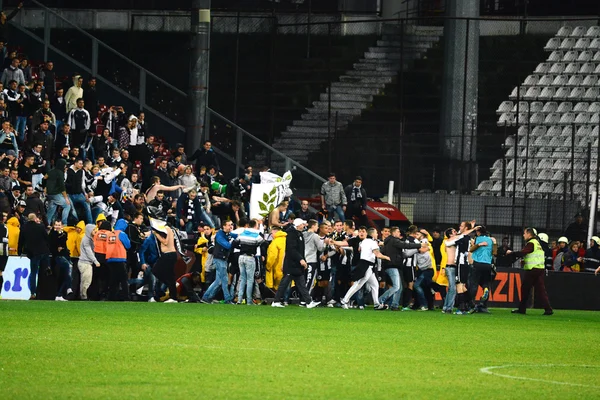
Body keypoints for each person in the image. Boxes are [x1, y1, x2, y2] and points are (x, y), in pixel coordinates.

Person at [337, 227, 390, 309]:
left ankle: (376, 304)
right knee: (358, 284)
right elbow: (377, 254)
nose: (377, 234)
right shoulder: (372, 242)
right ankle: (344, 301)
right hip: (367, 265)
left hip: (366, 264)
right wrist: (386, 257)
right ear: (372, 234)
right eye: (376, 233)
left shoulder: (364, 241)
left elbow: (359, 249)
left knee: (375, 285)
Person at [271, 219, 320, 308]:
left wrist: (303, 260)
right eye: (302, 224)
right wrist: (301, 259)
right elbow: (291, 250)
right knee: (284, 284)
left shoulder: (298, 234)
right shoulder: (291, 234)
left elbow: (300, 250)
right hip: (291, 264)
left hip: (296, 265)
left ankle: (308, 302)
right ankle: (276, 301)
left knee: (301, 284)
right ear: (298, 225)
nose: (303, 225)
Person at [508, 228, 553, 315]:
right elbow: (534, 256)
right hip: (540, 269)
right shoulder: (538, 244)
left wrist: (512, 253)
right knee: (540, 290)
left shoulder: (531, 243)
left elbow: (523, 252)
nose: (523, 235)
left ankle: (522, 309)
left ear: (529, 234)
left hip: (532, 269)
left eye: (524, 233)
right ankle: (548, 309)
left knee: (525, 289)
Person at [377, 226, 423, 311]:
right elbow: (405, 245)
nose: (399, 233)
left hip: (392, 266)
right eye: (398, 232)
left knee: (399, 287)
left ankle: (395, 305)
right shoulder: (393, 240)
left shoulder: (388, 242)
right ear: (394, 233)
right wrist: (419, 245)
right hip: (392, 266)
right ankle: (379, 301)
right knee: (396, 287)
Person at [201, 220, 238, 304]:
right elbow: (227, 246)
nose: (231, 227)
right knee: (224, 280)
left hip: (222, 259)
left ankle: (206, 297)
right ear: (224, 226)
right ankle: (227, 299)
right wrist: (233, 240)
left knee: (218, 281)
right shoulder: (219, 235)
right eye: (229, 225)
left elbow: (236, 236)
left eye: (231, 225)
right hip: (219, 259)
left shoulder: (226, 234)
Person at [18, 213, 50, 300]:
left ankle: (33, 293)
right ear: (35, 218)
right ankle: (43, 292)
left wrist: (19, 251)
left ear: (28, 219)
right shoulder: (40, 227)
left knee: (33, 273)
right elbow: (47, 238)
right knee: (43, 272)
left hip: (32, 253)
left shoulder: (24, 227)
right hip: (43, 252)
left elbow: (21, 241)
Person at [236, 219, 264, 305]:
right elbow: (263, 243)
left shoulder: (243, 233)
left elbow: (235, 243)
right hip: (250, 257)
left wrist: (242, 248)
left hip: (241, 257)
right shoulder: (256, 234)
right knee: (250, 279)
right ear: (256, 225)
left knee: (242, 279)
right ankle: (249, 301)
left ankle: (239, 300)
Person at [468, 226, 494, 314]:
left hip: (477, 264)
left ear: (478, 232)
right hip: (487, 264)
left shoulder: (478, 239)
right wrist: (494, 244)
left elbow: (471, 250)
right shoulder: (491, 240)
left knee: (474, 284)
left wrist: (476, 244)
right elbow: (495, 253)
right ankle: (483, 306)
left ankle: (471, 305)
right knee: (486, 283)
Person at [151, 222, 179, 303]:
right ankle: (172, 288)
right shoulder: (166, 230)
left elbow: (166, 242)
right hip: (168, 255)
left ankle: (172, 293)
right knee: (165, 274)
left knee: (156, 271)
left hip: (169, 255)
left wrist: (156, 234)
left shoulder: (167, 229)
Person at [48, 221, 74, 301]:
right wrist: (59, 237)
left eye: (59, 225)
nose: (57, 226)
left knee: (64, 275)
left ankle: (59, 294)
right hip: (57, 257)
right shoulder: (52, 234)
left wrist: (60, 239)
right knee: (68, 268)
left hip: (65, 255)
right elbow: (54, 243)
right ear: (53, 225)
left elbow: (62, 243)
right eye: (56, 225)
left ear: (62, 225)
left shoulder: (64, 233)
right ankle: (68, 288)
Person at [78, 224, 100, 300]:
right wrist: (95, 261)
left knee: (85, 281)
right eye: (93, 230)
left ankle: (83, 296)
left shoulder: (89, 239)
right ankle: (83, 297)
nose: (95, 231)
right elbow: (89, 252)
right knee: (86, 281)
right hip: (85, 263)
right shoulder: (86, 240)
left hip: (86, 263)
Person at [265, 225, 286, 290]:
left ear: (274, 232)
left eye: (271, 233)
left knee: (279, 291)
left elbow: (272, 257)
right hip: (288, 269)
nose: (271, 235)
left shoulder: (275, 242)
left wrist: (268, 266)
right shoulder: (287, 239)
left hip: (278, 270)